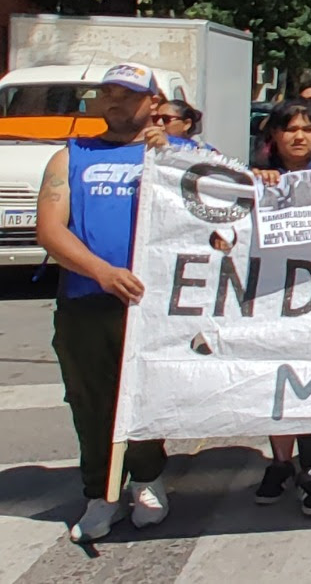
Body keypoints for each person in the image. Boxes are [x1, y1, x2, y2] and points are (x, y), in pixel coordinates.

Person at [35, 64, 194, 543]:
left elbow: (233, 195)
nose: (115, 102)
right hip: (86, 300)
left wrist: (175, 162)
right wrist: (101, 272)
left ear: (154, 102)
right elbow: (49, 229)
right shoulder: (71, 157)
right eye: (108, 93)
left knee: (147, 396)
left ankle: (147, 478)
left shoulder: (181, 153)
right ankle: (100, 492)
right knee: (90, 399)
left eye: (128, 94)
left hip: (155, 304)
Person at [247, 100, 311, 515]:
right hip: (269, 294)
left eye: (308, 127)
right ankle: (280, 462)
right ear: (273, 135)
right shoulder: (251, 177)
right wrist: (254, 182)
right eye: (289, 128)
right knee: (276, 378)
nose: (299, 136)